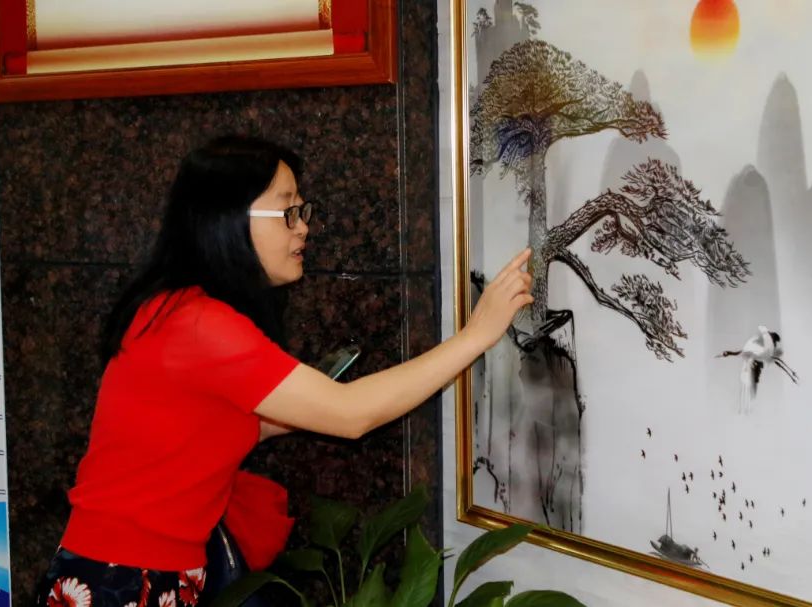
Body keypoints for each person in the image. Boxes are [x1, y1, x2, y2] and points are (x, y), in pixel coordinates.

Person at [37, 135, 533, 606]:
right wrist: (476, 335)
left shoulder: (176, 308)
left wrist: (302, 401)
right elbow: (351, 415)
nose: (303, 227)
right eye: (287, 211)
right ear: (229, 219)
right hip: (124, 579)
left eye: (302, 210)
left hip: (137, 571)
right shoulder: (200, 324)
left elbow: (205, 428)